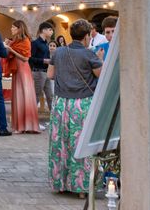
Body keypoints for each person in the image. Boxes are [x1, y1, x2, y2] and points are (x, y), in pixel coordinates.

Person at [48, 19, 103, 197]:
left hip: (61, 103)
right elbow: (100, 77)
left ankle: (60, 183)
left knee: (61, 144)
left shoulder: (58, 52)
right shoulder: (89, 54)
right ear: (87, 36)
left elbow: (50, 74)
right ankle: (81, 188)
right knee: (80, 144)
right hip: (82, 103)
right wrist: (100, 60)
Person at [4, 20, 40, 133]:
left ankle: (27, 125)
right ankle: (20, 125)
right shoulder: (15, 41)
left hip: (23, 70)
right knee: (18, 96)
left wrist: (11, 49)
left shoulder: (25, 40)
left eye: (13, 27)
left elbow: (25, 58)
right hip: (17, 70)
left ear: (19, 28)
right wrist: (8, 46)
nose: (11, 29)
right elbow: (9, 54)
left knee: (24, 96)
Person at [30, 22, 54, 113]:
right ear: (43, 30)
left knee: (50, 96)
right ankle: (30, 120)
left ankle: (54, 120)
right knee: (36, 95)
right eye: (50, 30)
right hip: (38, 72)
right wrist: (44, 60)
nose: (51, 32)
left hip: (46, 72)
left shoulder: (46, 44)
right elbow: (30, 59)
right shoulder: (35, 43)